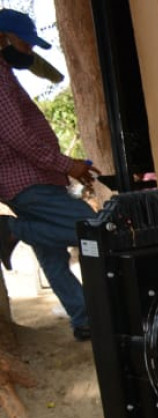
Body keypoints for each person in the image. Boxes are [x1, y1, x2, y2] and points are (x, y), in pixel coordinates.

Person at [0, 9, 95, 341]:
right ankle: (10, 230)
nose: (29, 51)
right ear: (2, 38)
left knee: (52, 256)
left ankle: (84, 319)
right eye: (25, 44)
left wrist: (69, 166)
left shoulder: (5, 74)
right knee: (93, 229)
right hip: (29, 180)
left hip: (26, 180)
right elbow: (19, 136)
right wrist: (67, 165)